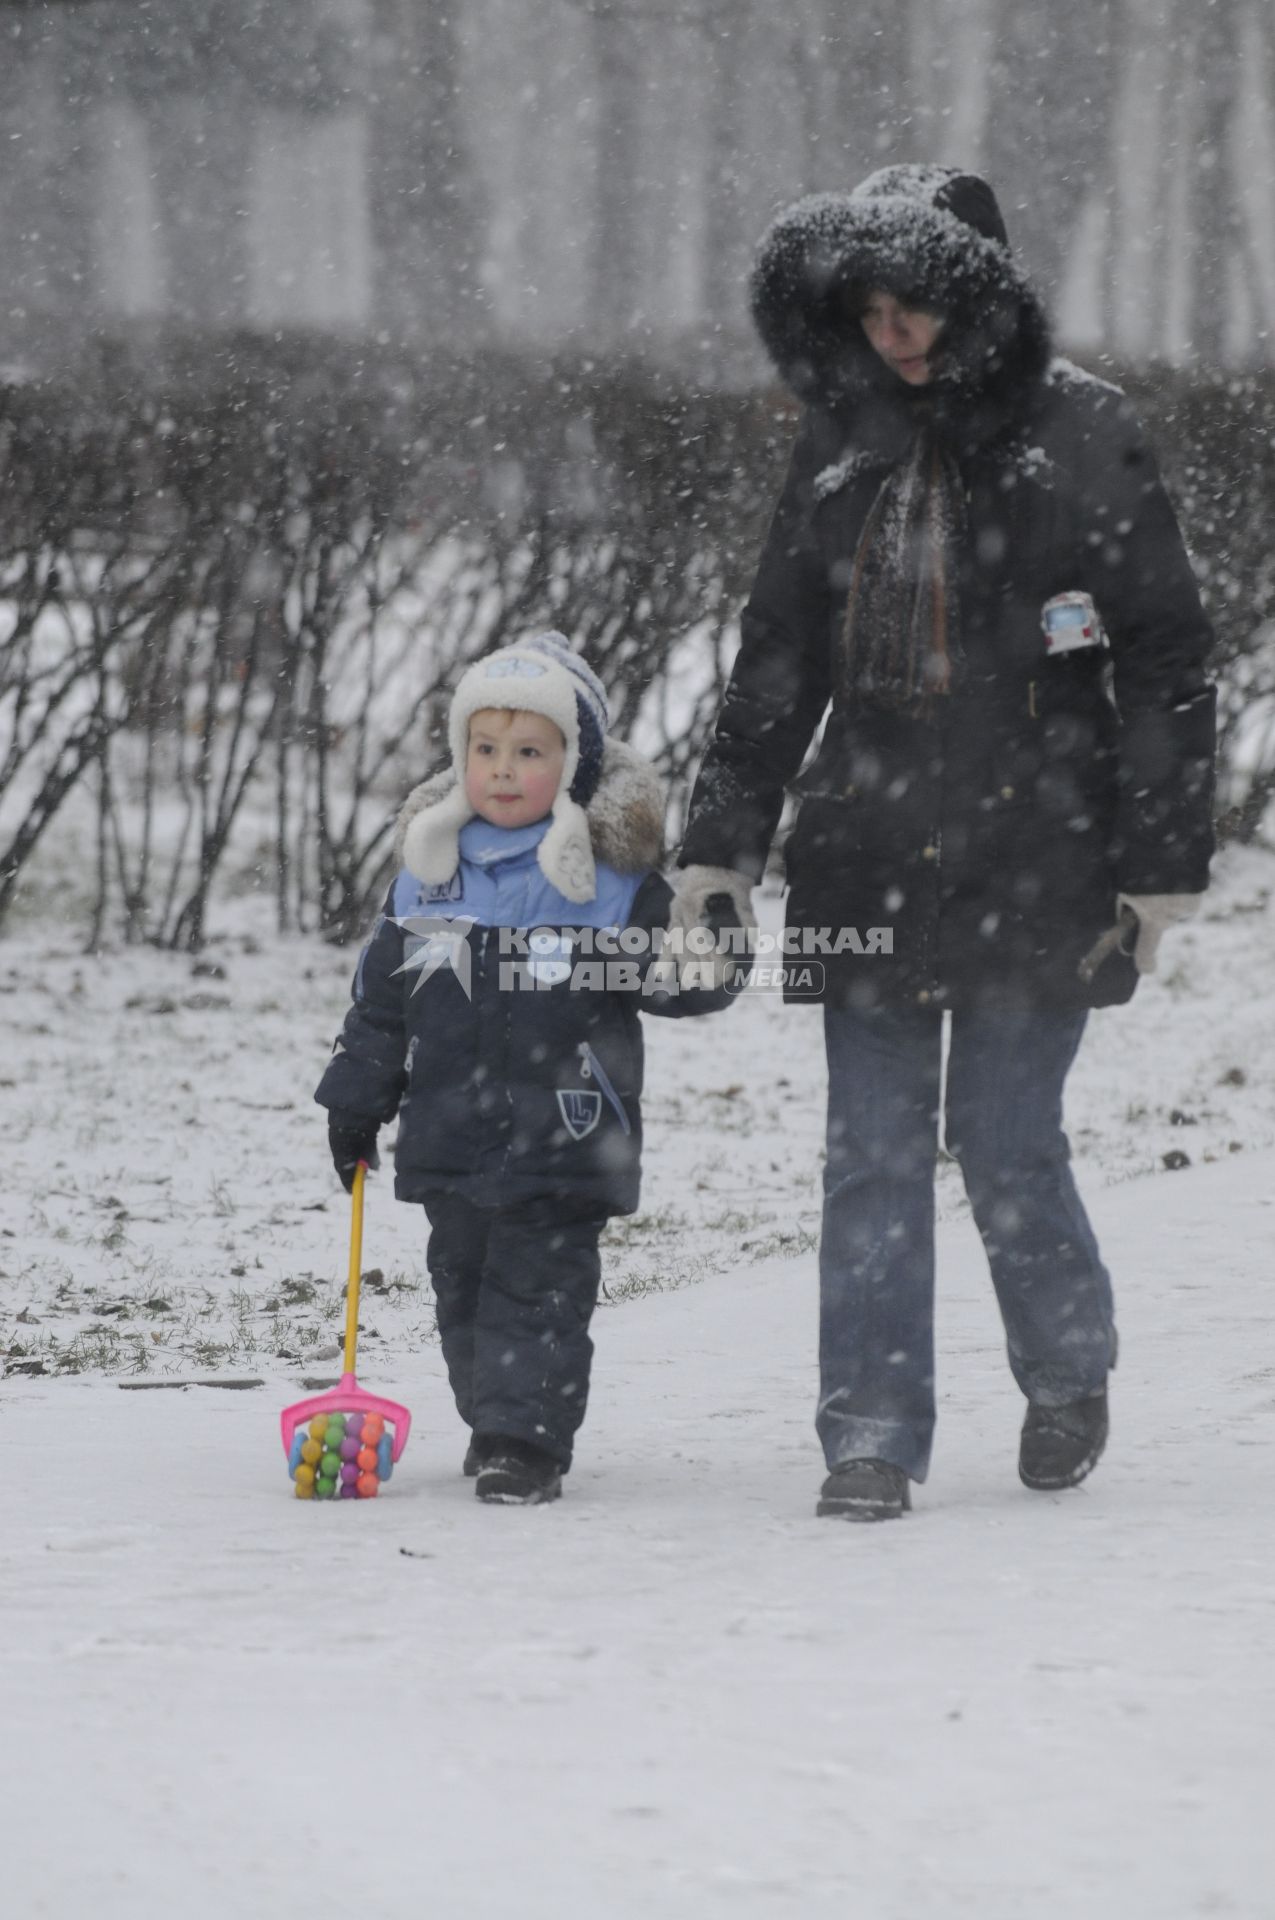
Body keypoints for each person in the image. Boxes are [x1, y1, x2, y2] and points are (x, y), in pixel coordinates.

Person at [670, 166, 1216, 1520]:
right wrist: (718, 845)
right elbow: (778, 654)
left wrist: (1156, 864)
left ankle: (1063, 1370)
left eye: (911, 301)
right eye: (864, 306)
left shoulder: (1083, 433)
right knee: (866, 1147)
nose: (888, 330)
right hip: (861, 844)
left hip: (1043, 852)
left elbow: (1161, 656)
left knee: (1001, 1136)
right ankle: (866, 1432)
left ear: (973, 297)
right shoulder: (838, 440)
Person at [316, 632, 728, 1505]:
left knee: (539, 1290)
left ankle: (525, 1438)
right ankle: (491, 1414)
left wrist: (713, 946)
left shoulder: (612, 885)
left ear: (573, 766)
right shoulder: (428, 878)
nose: (503, 771)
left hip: (569, 1129)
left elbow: (674, 981)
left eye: (530, 753)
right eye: (486, 749)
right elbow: (382, 1006)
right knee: (461, 1287)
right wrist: (358, 1097)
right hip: (451, 1131)